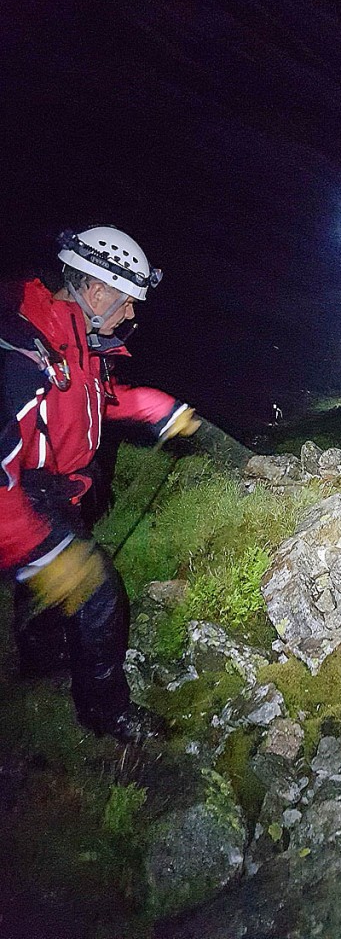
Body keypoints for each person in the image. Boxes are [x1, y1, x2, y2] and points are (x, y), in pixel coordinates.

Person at [0, 226, 202, 742]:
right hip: (20, 496)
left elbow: (96, 400)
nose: (130, 314)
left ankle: (41, 660)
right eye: (126, 301)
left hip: (56, 487)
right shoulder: (24, 351)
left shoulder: (75, 342)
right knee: (97, 588)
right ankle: (106, 712)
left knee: (48, 583)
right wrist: (35, 546)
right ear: (96, 290)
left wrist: (159, 408)